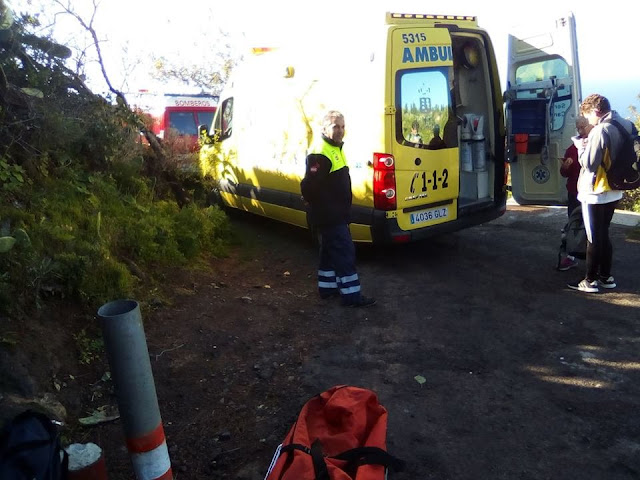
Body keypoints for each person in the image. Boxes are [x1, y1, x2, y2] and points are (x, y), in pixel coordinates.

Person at [300, 110, 376, 307]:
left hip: (334, 214)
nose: (340, 131)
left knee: (328, 251)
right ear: (325, 128)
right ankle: (352, 296)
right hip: (331, 216)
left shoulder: (335, 148)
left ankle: (327, 289)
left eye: (342, 126)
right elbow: (308, 186)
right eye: (336, 126)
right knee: (344, 252)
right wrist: (322, 207)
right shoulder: (321, 152)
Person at [568, 94, 630, 293]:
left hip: (594, 191)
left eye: (588, 116)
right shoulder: (626, 124)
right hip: (615, 188)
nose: (588, 121)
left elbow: (589, 164)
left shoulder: (599, 130)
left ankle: (590, 280)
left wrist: (580, 148)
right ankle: (606, 277)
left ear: (595, 111)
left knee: (593, 236)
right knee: (604, 232)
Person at [557, 116, 592, 271]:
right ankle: (570, 257)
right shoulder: (573, 148)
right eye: (578, 127)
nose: (580, 130)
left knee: (592, 226)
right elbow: (564, 173)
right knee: (574, 224)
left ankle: (594, 260)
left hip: (591, 192)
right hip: (575, 192)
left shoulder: (596, 143)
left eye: (583, 126)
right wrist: (565, 166)